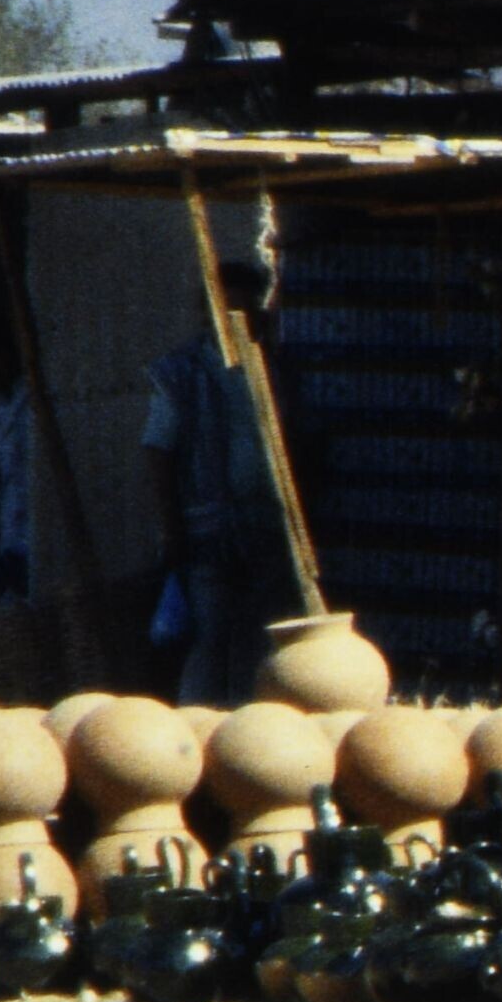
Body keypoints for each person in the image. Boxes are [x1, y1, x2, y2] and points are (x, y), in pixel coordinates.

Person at [139, 250, 295, 699]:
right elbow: (158, 452)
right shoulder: (182, 374)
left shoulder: (273, 367)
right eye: (227, 311)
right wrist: (172, 531)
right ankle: (197, 726)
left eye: (245, 310)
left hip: (263, 529)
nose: (236, 322)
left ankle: (242, 727)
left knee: (257, 641)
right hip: (208, 534)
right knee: (209, 638)